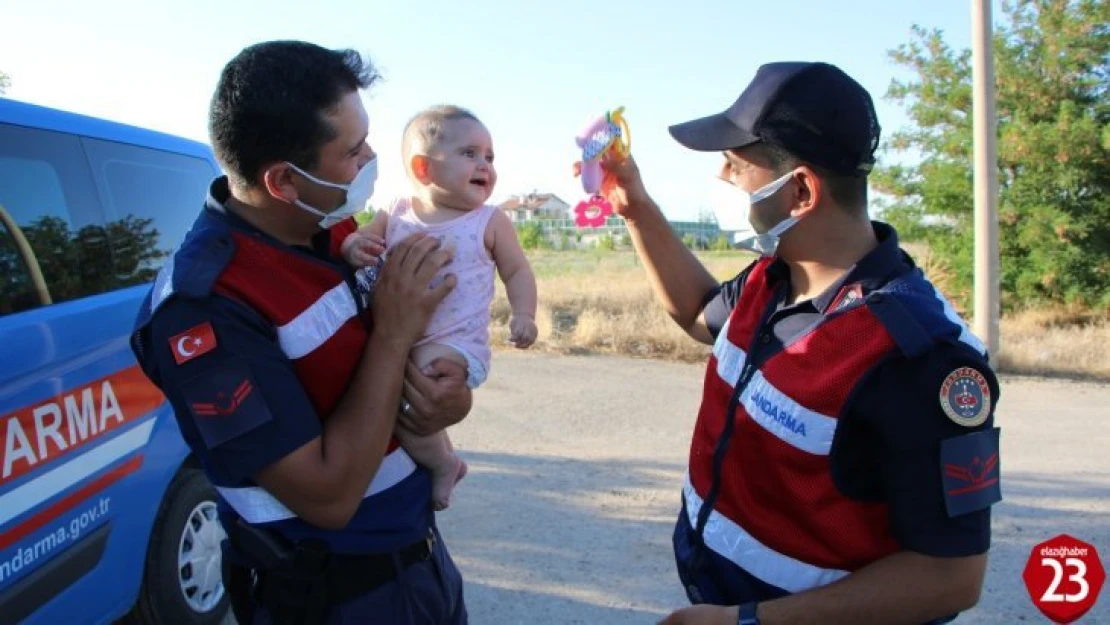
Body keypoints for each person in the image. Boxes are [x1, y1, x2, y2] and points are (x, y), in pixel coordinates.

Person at [596, 62, 1003, 625]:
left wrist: (745, 622)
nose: (722, 175)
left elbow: (950, 577)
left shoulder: (920, 356)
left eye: (737, 163)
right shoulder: (775, 277)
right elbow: (698, 313)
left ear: (802, 191)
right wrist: (635, 207)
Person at [130, 40, 471, 625]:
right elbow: (327, 496)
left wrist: (448, 392)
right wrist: (394, 331)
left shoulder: (332, 226)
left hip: (419, 565)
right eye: (352, 151)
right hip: (337, 597)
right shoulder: (205, 311)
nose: (370, 160)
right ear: (284, 180)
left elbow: (372, 381)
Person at [341, 104, 538, 511]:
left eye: (489, 156)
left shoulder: (489, 220)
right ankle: (442, 454)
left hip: (454, 342)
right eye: (470, 153)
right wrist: (354, 245)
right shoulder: (395, 210)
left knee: (410, 393)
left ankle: (441, 464)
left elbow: (517, 271)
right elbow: (359, 238)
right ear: (424, 168)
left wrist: (524, 316)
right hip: (401, 335)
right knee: (395, 388)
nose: (485, 164)